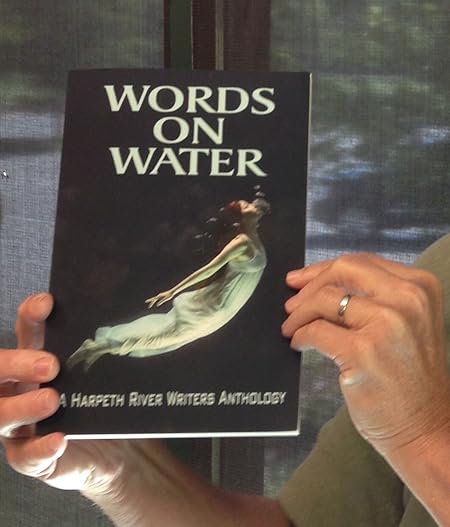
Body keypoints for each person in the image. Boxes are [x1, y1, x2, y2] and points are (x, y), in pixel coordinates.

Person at [0, 234, 449, 526]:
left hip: (200, 312)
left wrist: (422, 435)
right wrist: (119, 468)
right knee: (141, 337)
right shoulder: (440, 277)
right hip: (200, 313)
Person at [67, 197, 270, 370]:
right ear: (240, 219)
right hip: (215, 306)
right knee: (165, 337)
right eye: (246, 206)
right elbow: (208, 270)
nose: (252, 205)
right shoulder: (241, 243)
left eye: (251, 204)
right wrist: (172, 291)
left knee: (172, 336)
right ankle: (96, 348)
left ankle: (100, 347)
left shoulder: (254, 238)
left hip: (228, 307)